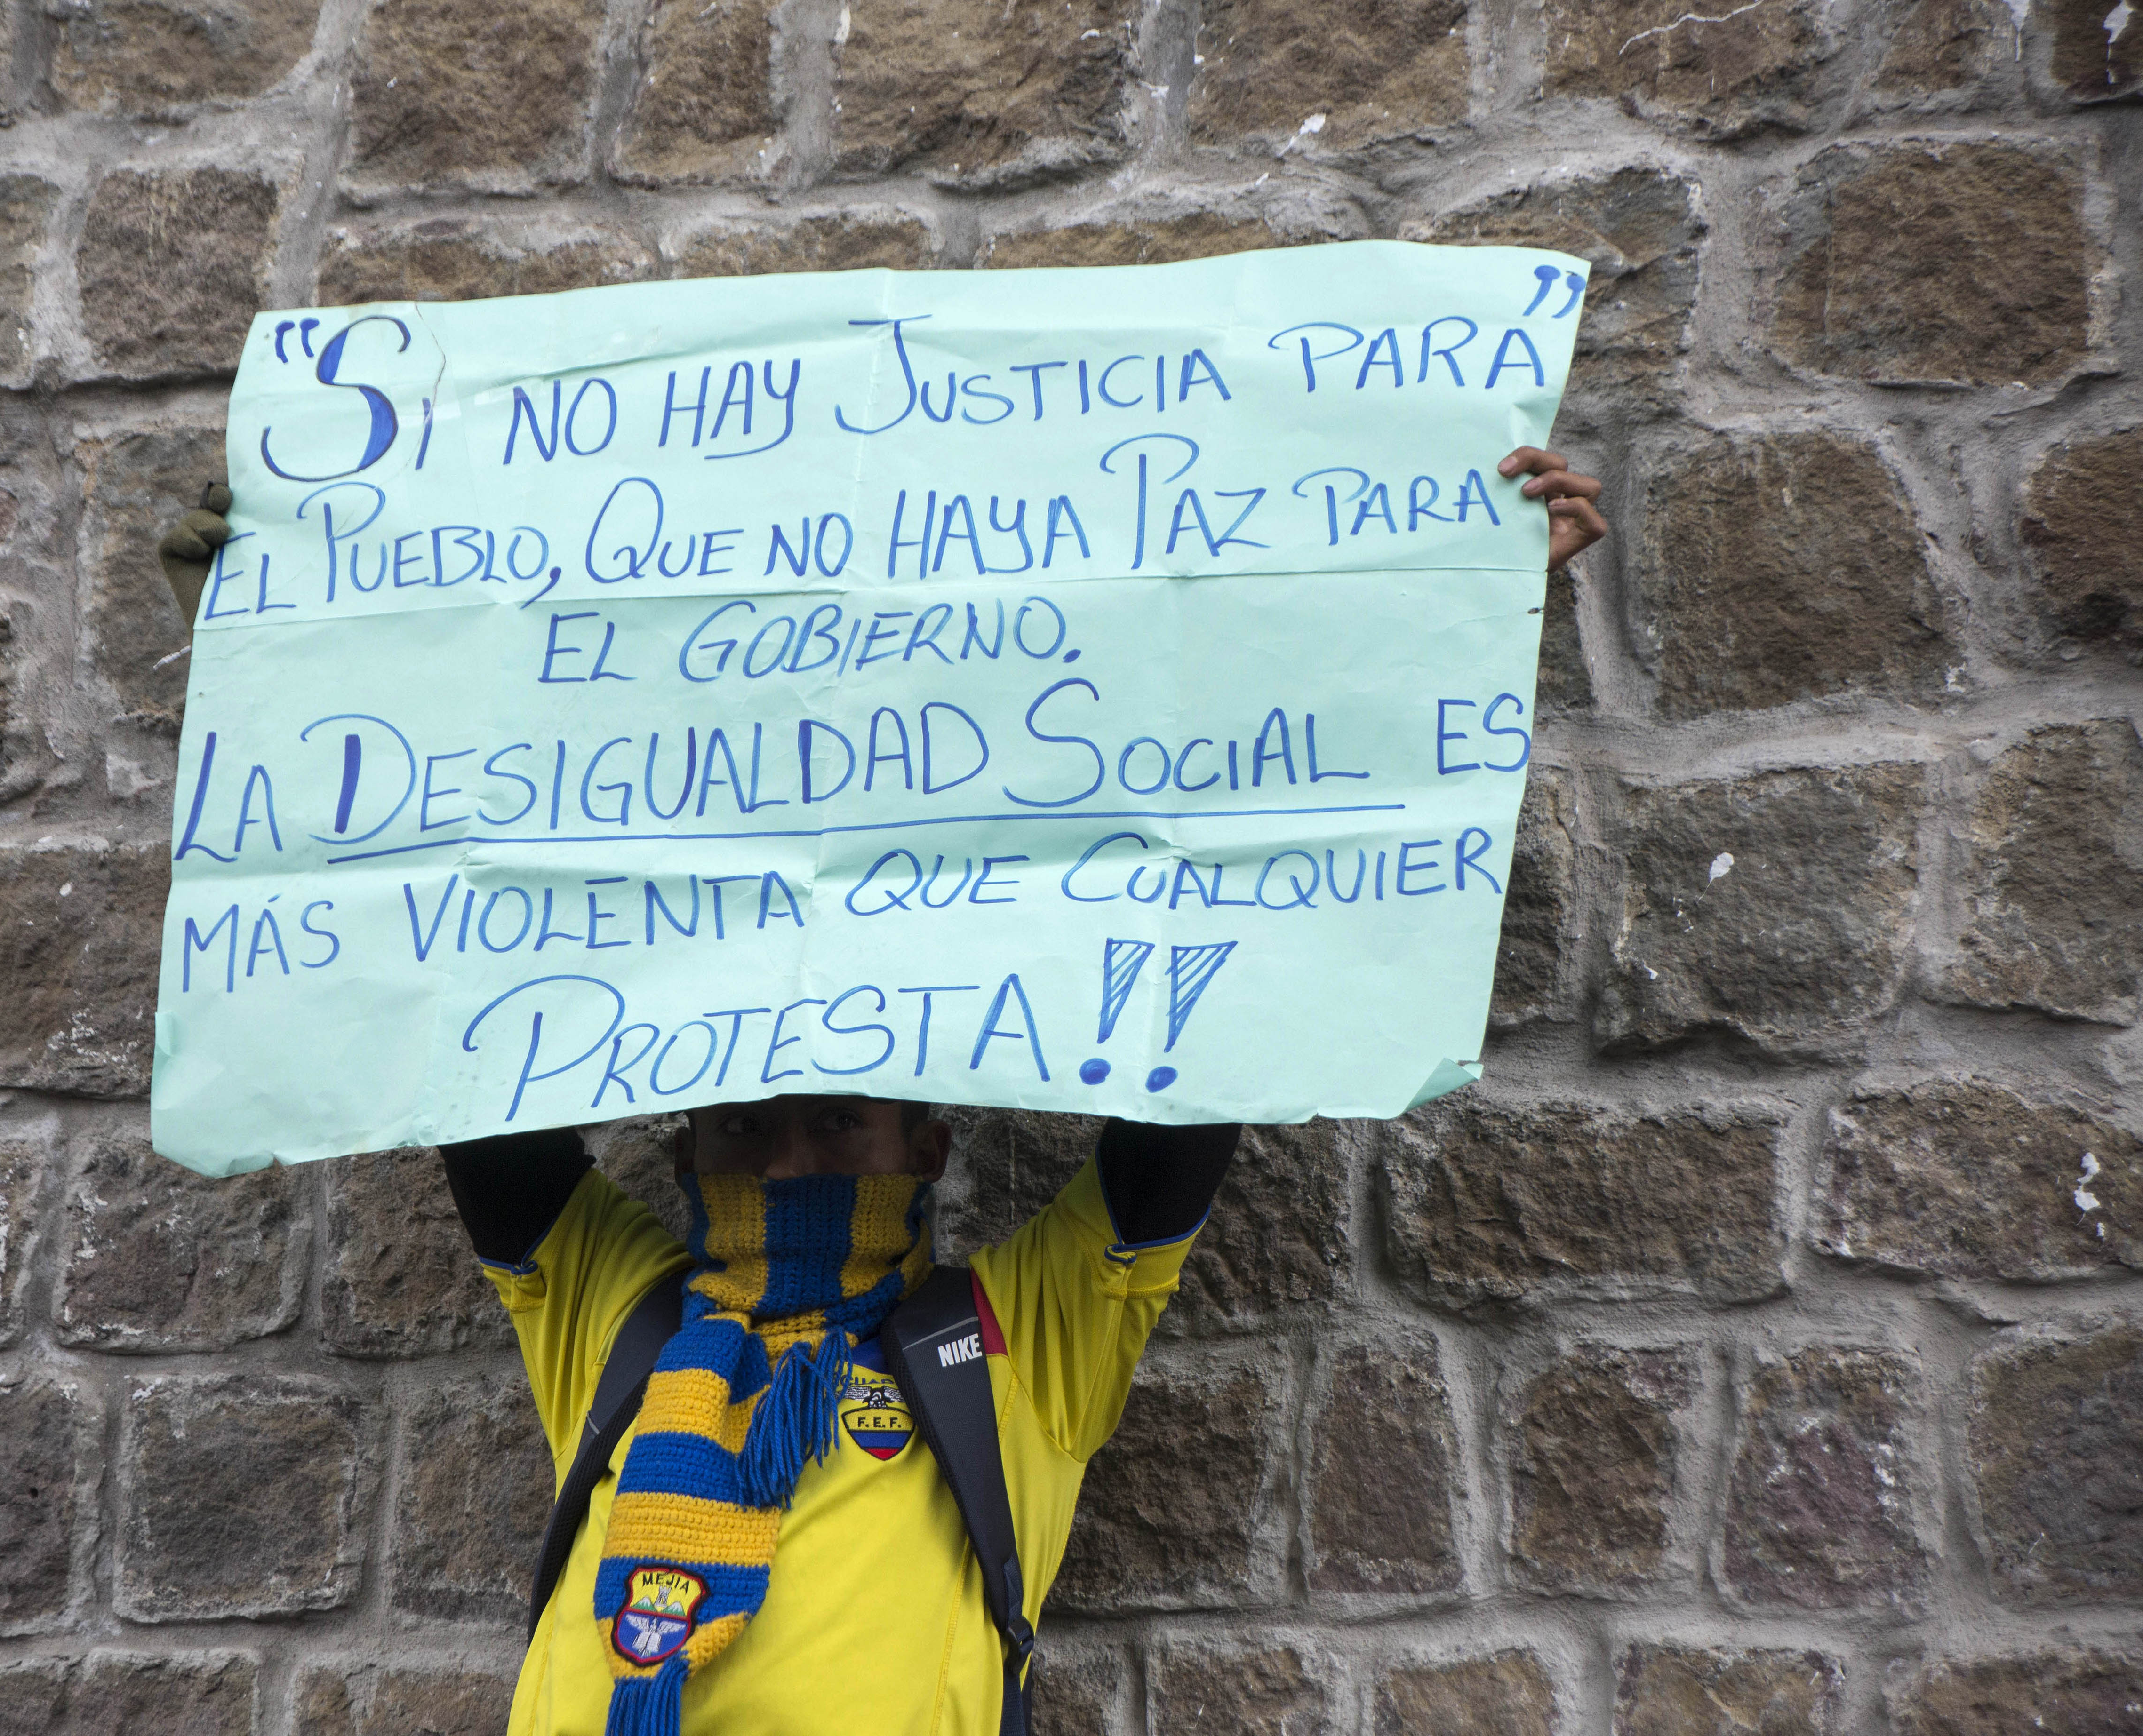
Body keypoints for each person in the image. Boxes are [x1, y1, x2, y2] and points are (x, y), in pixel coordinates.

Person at [155, 448, 1605, 1736]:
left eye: (838, 1121)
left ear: (929, 1143)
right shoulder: (615, 1311)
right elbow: (454, 997)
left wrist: (1462, 619)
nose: (790, 1160)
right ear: (683, 1146)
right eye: (745, 1126)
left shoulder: (1014, 1340)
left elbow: (1211, 1019)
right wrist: (284, 659)